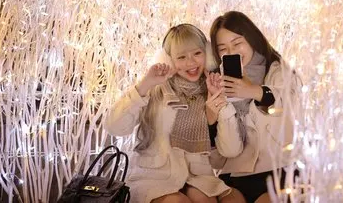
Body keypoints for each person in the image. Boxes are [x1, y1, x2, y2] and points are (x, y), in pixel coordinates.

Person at [104, 24, 245, 203]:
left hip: (198, 176)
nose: (191, 63)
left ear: (207, 54)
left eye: (197, 53)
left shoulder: (212, 86)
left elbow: (231, 151)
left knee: (233, 198)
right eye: (181, 57)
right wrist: (145, 85)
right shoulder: (155, 88)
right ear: (169, 60)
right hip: (155, 177)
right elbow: (114, 127)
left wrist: (221, 105)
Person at [209, 11, 301, 203]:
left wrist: (255, 91)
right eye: (223, 48)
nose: (231, 51)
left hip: (280, 168)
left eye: (237, 43)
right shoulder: (217, 83)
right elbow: (228, 151)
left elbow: (292, 105)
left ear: (252, 39)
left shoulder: (278, 71)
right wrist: (222, 110)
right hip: (235, 173)